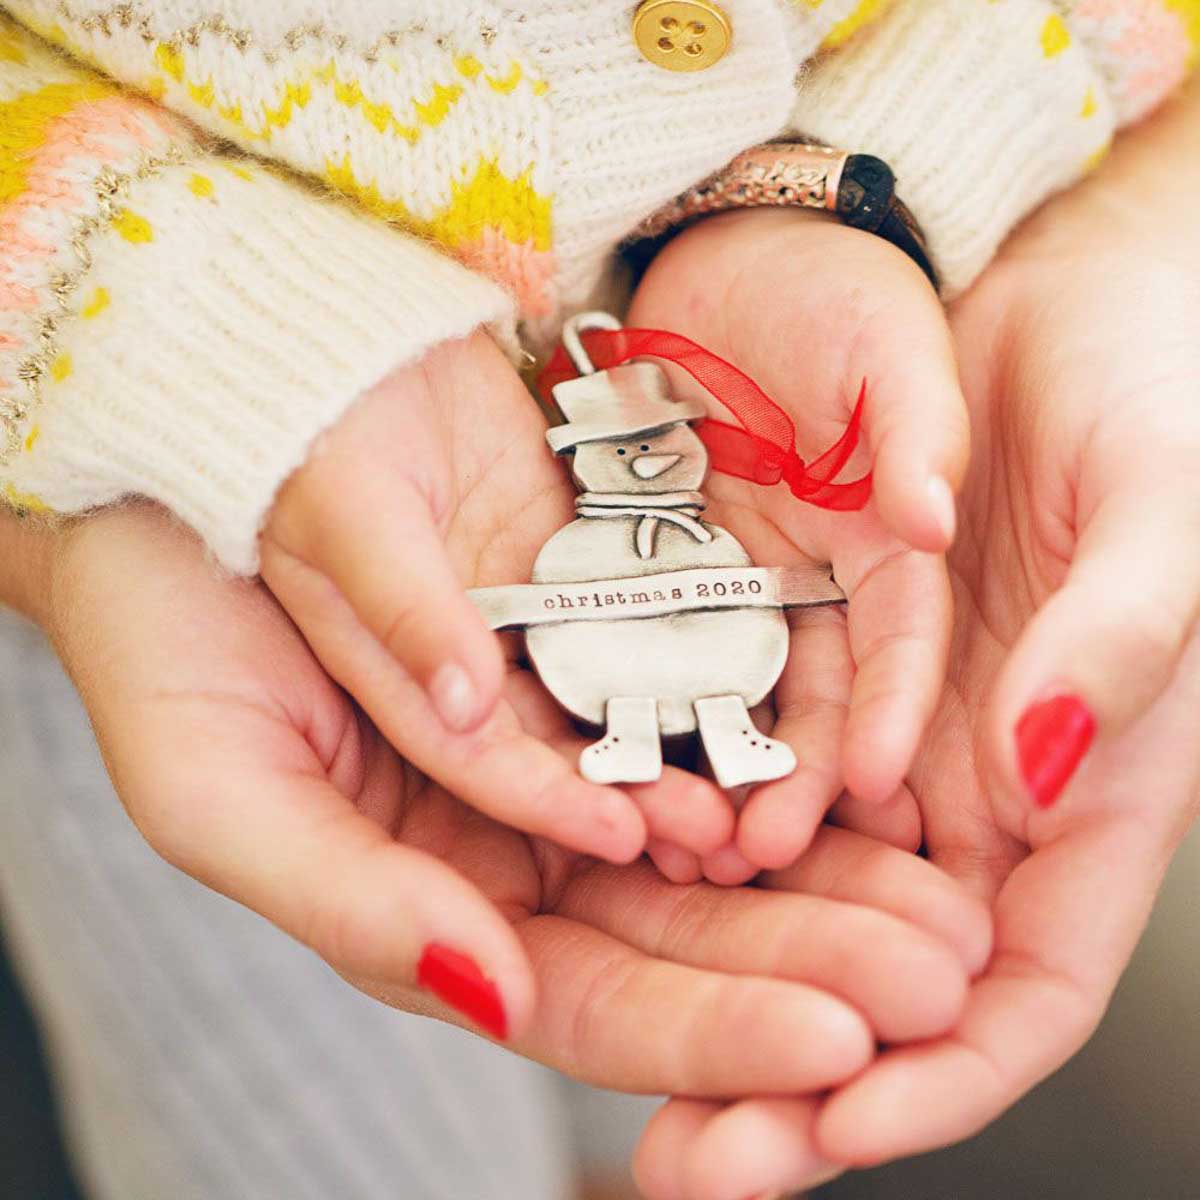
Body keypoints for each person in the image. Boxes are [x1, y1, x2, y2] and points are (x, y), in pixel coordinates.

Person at [0, 2, 1196, 1197]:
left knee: (704, 1064)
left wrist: (907, 169)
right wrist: (152, 325)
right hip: (181, 528)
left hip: (911, 324)